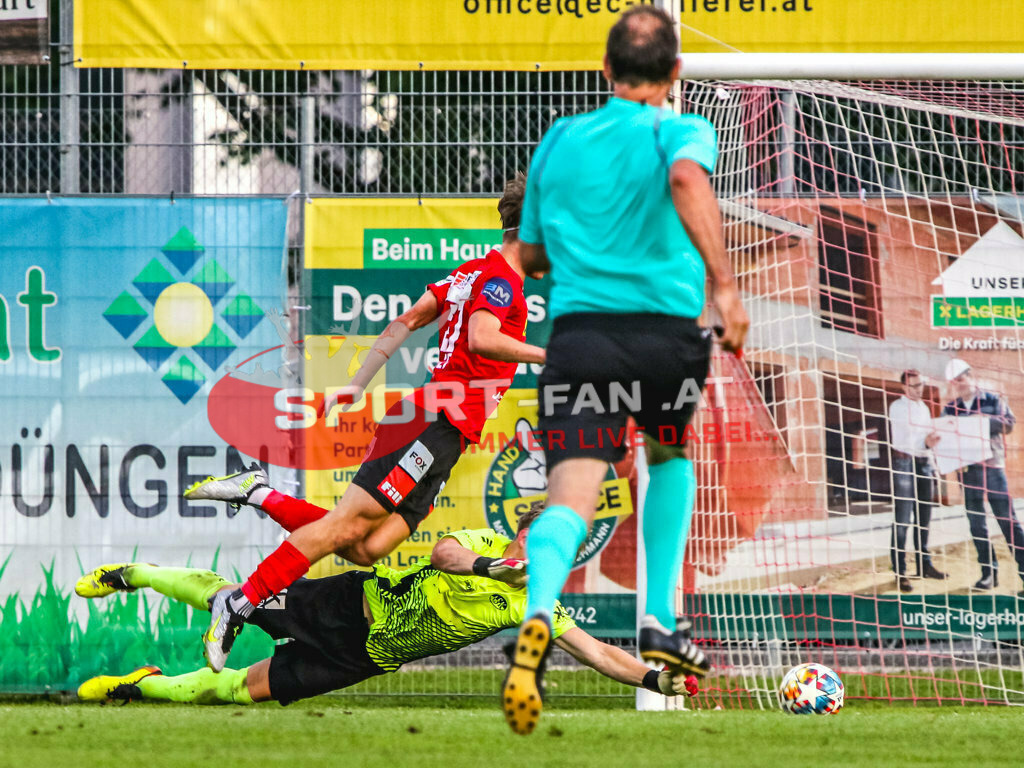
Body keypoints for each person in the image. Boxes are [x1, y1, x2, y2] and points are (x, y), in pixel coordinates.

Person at [184, 174, 546, 673]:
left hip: (444, 432)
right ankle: (240, 602)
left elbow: (406, 322)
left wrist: (358, 383)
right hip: (432, 421)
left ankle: (257, 493)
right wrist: (548, 354)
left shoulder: (474, 272)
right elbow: (483, 339)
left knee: (366, 547)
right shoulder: (503, 283)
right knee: (340, 529)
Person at [502, 6, 749, 735]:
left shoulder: (560, 140)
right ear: (676, 74)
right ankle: (661, 619)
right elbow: (684, 181)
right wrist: (725, 285)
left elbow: (536, 251)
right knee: (669, 456)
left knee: (569, 497)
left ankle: (541, 612)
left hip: (580, 337)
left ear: (604, 72)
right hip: (664, 338)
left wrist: (586, 246)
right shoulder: (680, 130)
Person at [74, 505, 696, 710]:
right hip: (349, 606)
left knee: (237, 690)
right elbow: (446, 555)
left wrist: (656, 677)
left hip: (363, 657)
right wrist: (491, 566)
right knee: (228, 600)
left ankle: (139, 687)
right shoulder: (480, 542)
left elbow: (598, 652)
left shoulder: (537, 605)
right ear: (524, 532)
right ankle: (133, 573)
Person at [942, 358, 1024, 592]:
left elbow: (1009, 424)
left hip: (993, 469)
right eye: (954, 382)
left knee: (1008, 522)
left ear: (970, 375)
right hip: (968, 472)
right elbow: (945, 437)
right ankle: (989, 574)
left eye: (961, 378)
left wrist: (985, 421)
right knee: (977, 524)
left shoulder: (992, 399)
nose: (959, 384)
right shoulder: (950, 409)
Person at [888, 369, 947, 593]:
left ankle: (925, 565)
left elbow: (927, 439)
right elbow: (910, 439)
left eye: (921, 384)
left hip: (924, 463)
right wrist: (927, 443)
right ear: (904, 387)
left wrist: (934, 463)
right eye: (914, 385)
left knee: (924, 517)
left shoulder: (923, 408)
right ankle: (900, 572)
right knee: (902, 519)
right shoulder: (897, 407)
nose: (919, 389)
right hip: (904, 464)